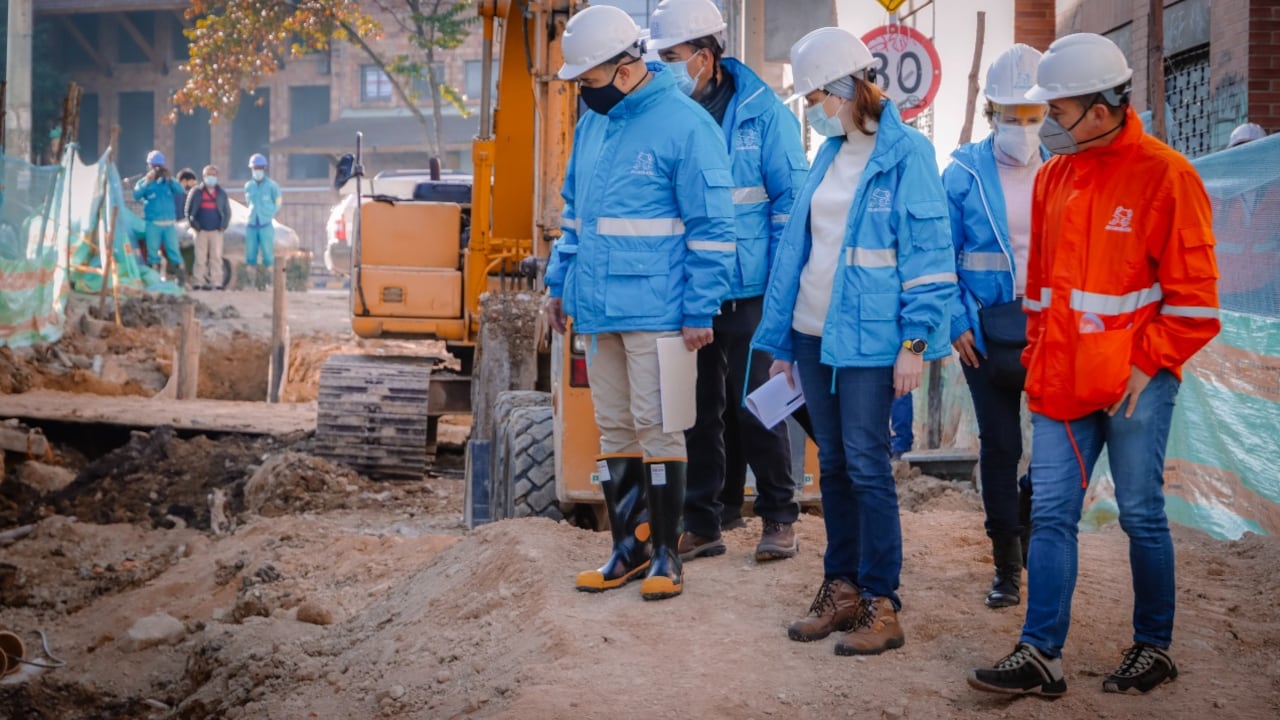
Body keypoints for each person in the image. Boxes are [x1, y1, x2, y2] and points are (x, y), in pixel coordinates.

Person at [967, 33, 1221, 697]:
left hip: (1136, 383)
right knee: (1050, 513)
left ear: (1101, 112)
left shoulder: (1169, 177)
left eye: (1058, 110)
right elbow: (1043, 292)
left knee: (1141, 514)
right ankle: (1040, 653)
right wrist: (1037, 362)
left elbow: (1196, 304)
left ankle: (1154, 647)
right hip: (1064, 383)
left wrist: (1147, 365)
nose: (1047, 124)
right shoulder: (1056, 176)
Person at [752, 26, 956, 656]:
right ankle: (839, 589)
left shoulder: (907, 156)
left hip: (873, 346)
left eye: (817, 96)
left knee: (869, 468)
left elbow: (928, 259)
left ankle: (881, 602)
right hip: (814, 339)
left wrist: (915, 345)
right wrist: (784, 341)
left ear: (847, 88)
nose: (812, 109)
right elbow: (801, 255)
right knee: (834, 466)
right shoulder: (829, 155)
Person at [544, 4, 736, 601]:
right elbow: (574, 215)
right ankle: (626, 547)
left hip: (659, 313)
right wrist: (558, 283)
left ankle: (665, 556)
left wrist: (700, 308)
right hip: (599, 310)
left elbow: (712, 228)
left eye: (590, 81)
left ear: (625, 69)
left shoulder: (685, 125)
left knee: (659, 430)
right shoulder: (595, 123)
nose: (583, 92)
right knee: (615, 431)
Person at [646, 0, 808, 563]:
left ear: (707, 56)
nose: (664, 66)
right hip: (689, 289)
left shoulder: (764, 113)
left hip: (752, 286)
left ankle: (779, 516)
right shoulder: (662, 113)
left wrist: (783, 282)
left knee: (759, 405)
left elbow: (792, 196)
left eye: (672, 56)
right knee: (694, 411)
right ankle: (704, 522)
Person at [942, 43, 1049, 609]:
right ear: (992, 113)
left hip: (1049, 333)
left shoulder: (1062, 170)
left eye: (1033, 117)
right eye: (1012, 116)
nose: (1023, 127)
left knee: (1058, 449)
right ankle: (1007, 564)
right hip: (983, 336)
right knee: (1001, 446)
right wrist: (956, 321)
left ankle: (1029, 509)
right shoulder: (961, 171)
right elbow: (940, 254)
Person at [132, 150, 187, 285]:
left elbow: (180, 190)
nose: (157, 169)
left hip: (169, 224)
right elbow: (136, 195)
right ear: (149, 166)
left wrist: (170, 179)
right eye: (154, 166)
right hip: (153, 223)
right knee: (152, 252)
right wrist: (147, 181)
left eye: (159, 166)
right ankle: (153, 280)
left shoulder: (169, 181)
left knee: (173, 250)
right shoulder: (145, 182)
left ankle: (180, 279)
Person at [186, 164, 232, 291]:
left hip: (216, 231)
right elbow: (188, 210)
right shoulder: (196, 192)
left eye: (213, 175)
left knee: (216, 258)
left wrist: (223, 226)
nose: (211, 178)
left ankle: (216, 283)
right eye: (208, 175)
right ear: (203, 176)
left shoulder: (221, 193)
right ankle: (198, 282)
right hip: (200, 231)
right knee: (200, 258)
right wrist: (194, 225)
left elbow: (227, 212)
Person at [244, 153, 282, 290]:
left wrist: (270, 213)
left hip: (266, 224)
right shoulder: (248, 186)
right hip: (251, 224)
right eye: (255, 168)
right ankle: (251, 284)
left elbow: (278, 203)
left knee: (268, 255)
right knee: (250, 255)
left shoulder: (272, 186)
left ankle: (269, 283)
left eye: (260, 168)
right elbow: (248, 202)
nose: (257, 170)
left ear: (264, 168)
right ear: (251, 169)